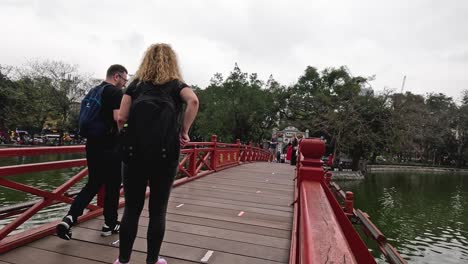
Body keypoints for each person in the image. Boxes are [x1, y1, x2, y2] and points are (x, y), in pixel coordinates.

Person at [114, 43, 199, 264]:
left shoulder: (135, 86)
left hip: (134, 154)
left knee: (131, 209)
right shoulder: (176, 85)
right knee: (158, 211)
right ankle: (152, 261)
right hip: (165, 154)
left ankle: (123, 260)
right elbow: (194, 101)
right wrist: (184, 131)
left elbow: (121, 118)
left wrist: (126, 134)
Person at [56, 64, 128, 240]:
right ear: (116, 76)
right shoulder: (115, 93)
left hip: (93, 145)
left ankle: (70, 218)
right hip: (111, 146)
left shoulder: (93, 91)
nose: (125, 84)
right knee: (112, 186)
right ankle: (109, 224)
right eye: (125, 80)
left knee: (93, 183)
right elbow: (118, 119)